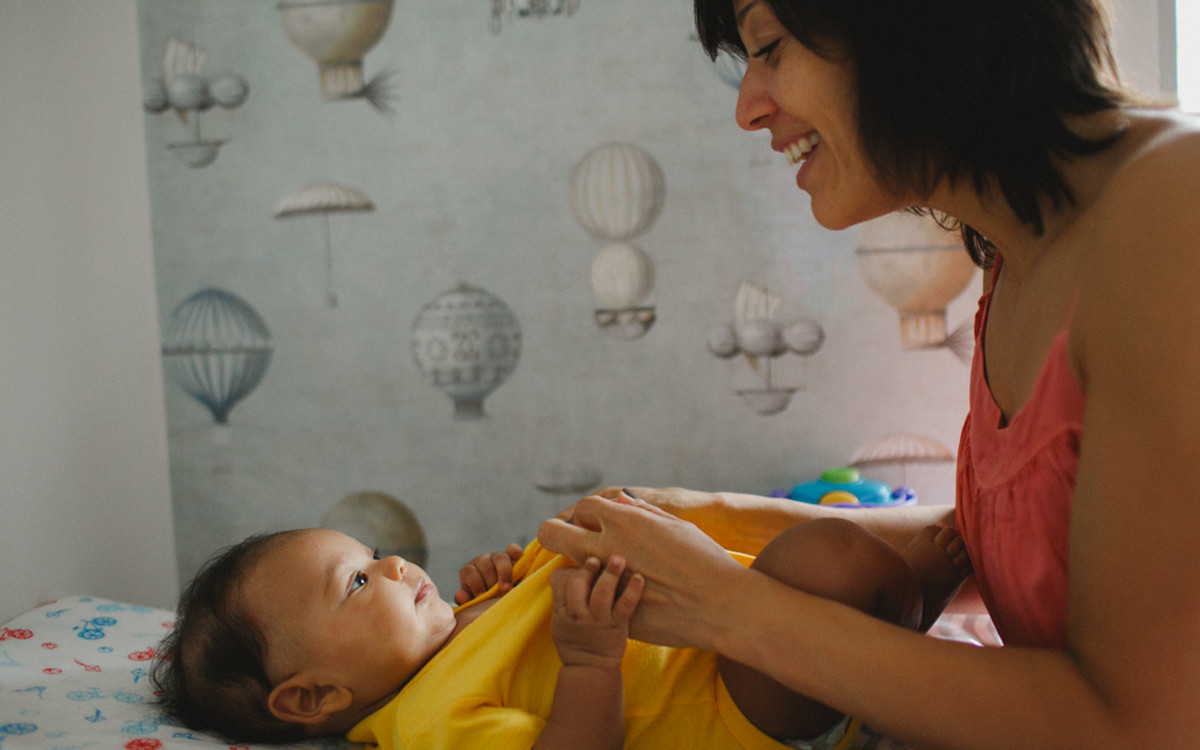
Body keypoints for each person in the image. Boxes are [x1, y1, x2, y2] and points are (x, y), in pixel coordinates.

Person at [537, 0, 1200, 746]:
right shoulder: (1017, 250)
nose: (749, 111)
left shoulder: (1175, 209)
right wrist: (700, 516)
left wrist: (726, 605)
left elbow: (1144, 727)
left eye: (770, 47)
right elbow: (1014, 539)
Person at [150, 508, 970, 750]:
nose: (396, 565)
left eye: (374, 553)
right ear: (316, 695)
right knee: (832, 563)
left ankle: (900, 620)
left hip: (713, 627)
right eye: (357, 581)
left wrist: (493, 588)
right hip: (734, 700)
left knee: (833, 564)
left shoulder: (446, 630)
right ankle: (907, 623)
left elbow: (526, 614)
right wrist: (588, 662)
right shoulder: (429, 723)